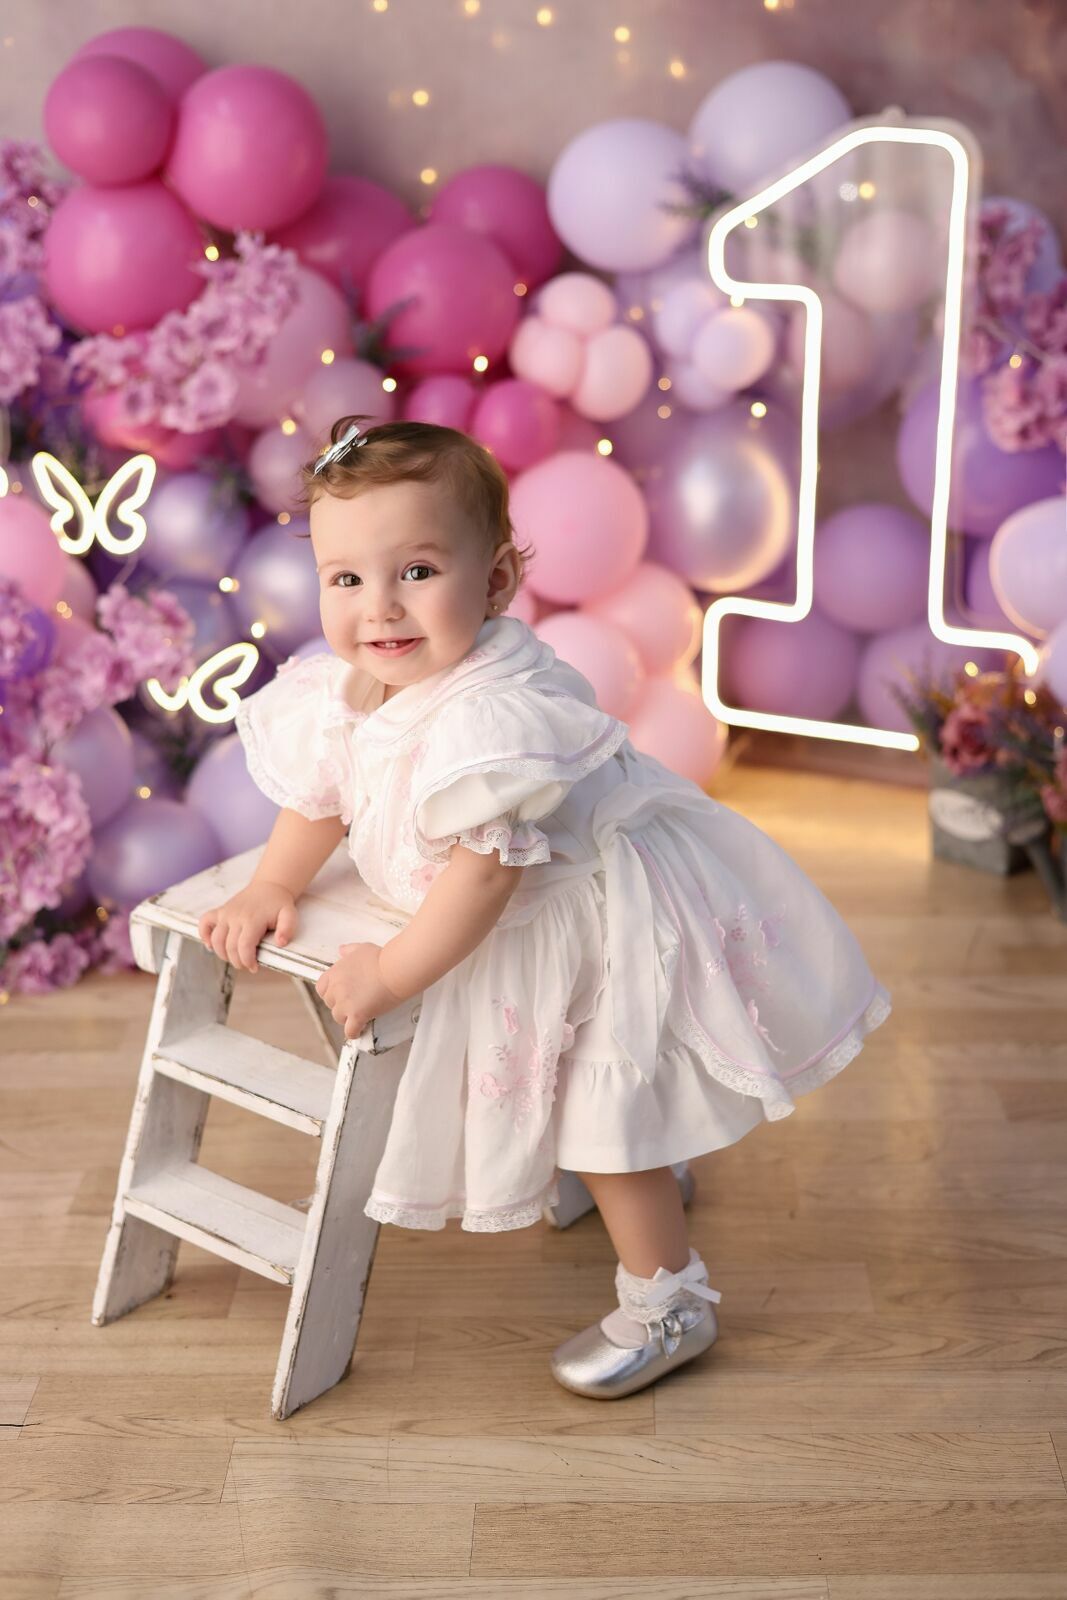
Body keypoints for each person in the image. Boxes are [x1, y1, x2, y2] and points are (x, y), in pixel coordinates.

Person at [199, 414, 892, 1401]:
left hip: (588, 922)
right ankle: (647, 1170)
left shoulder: (490, 715)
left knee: (601, 1109)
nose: (379, 607)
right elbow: (323, 790)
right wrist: (274, 882)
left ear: (493, 581)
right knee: (599, 1105)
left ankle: (668, 1300)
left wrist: (390, 973)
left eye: (417, 571)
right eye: (345, 578)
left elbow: (483, 880)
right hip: (500, 913)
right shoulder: (358, 683)